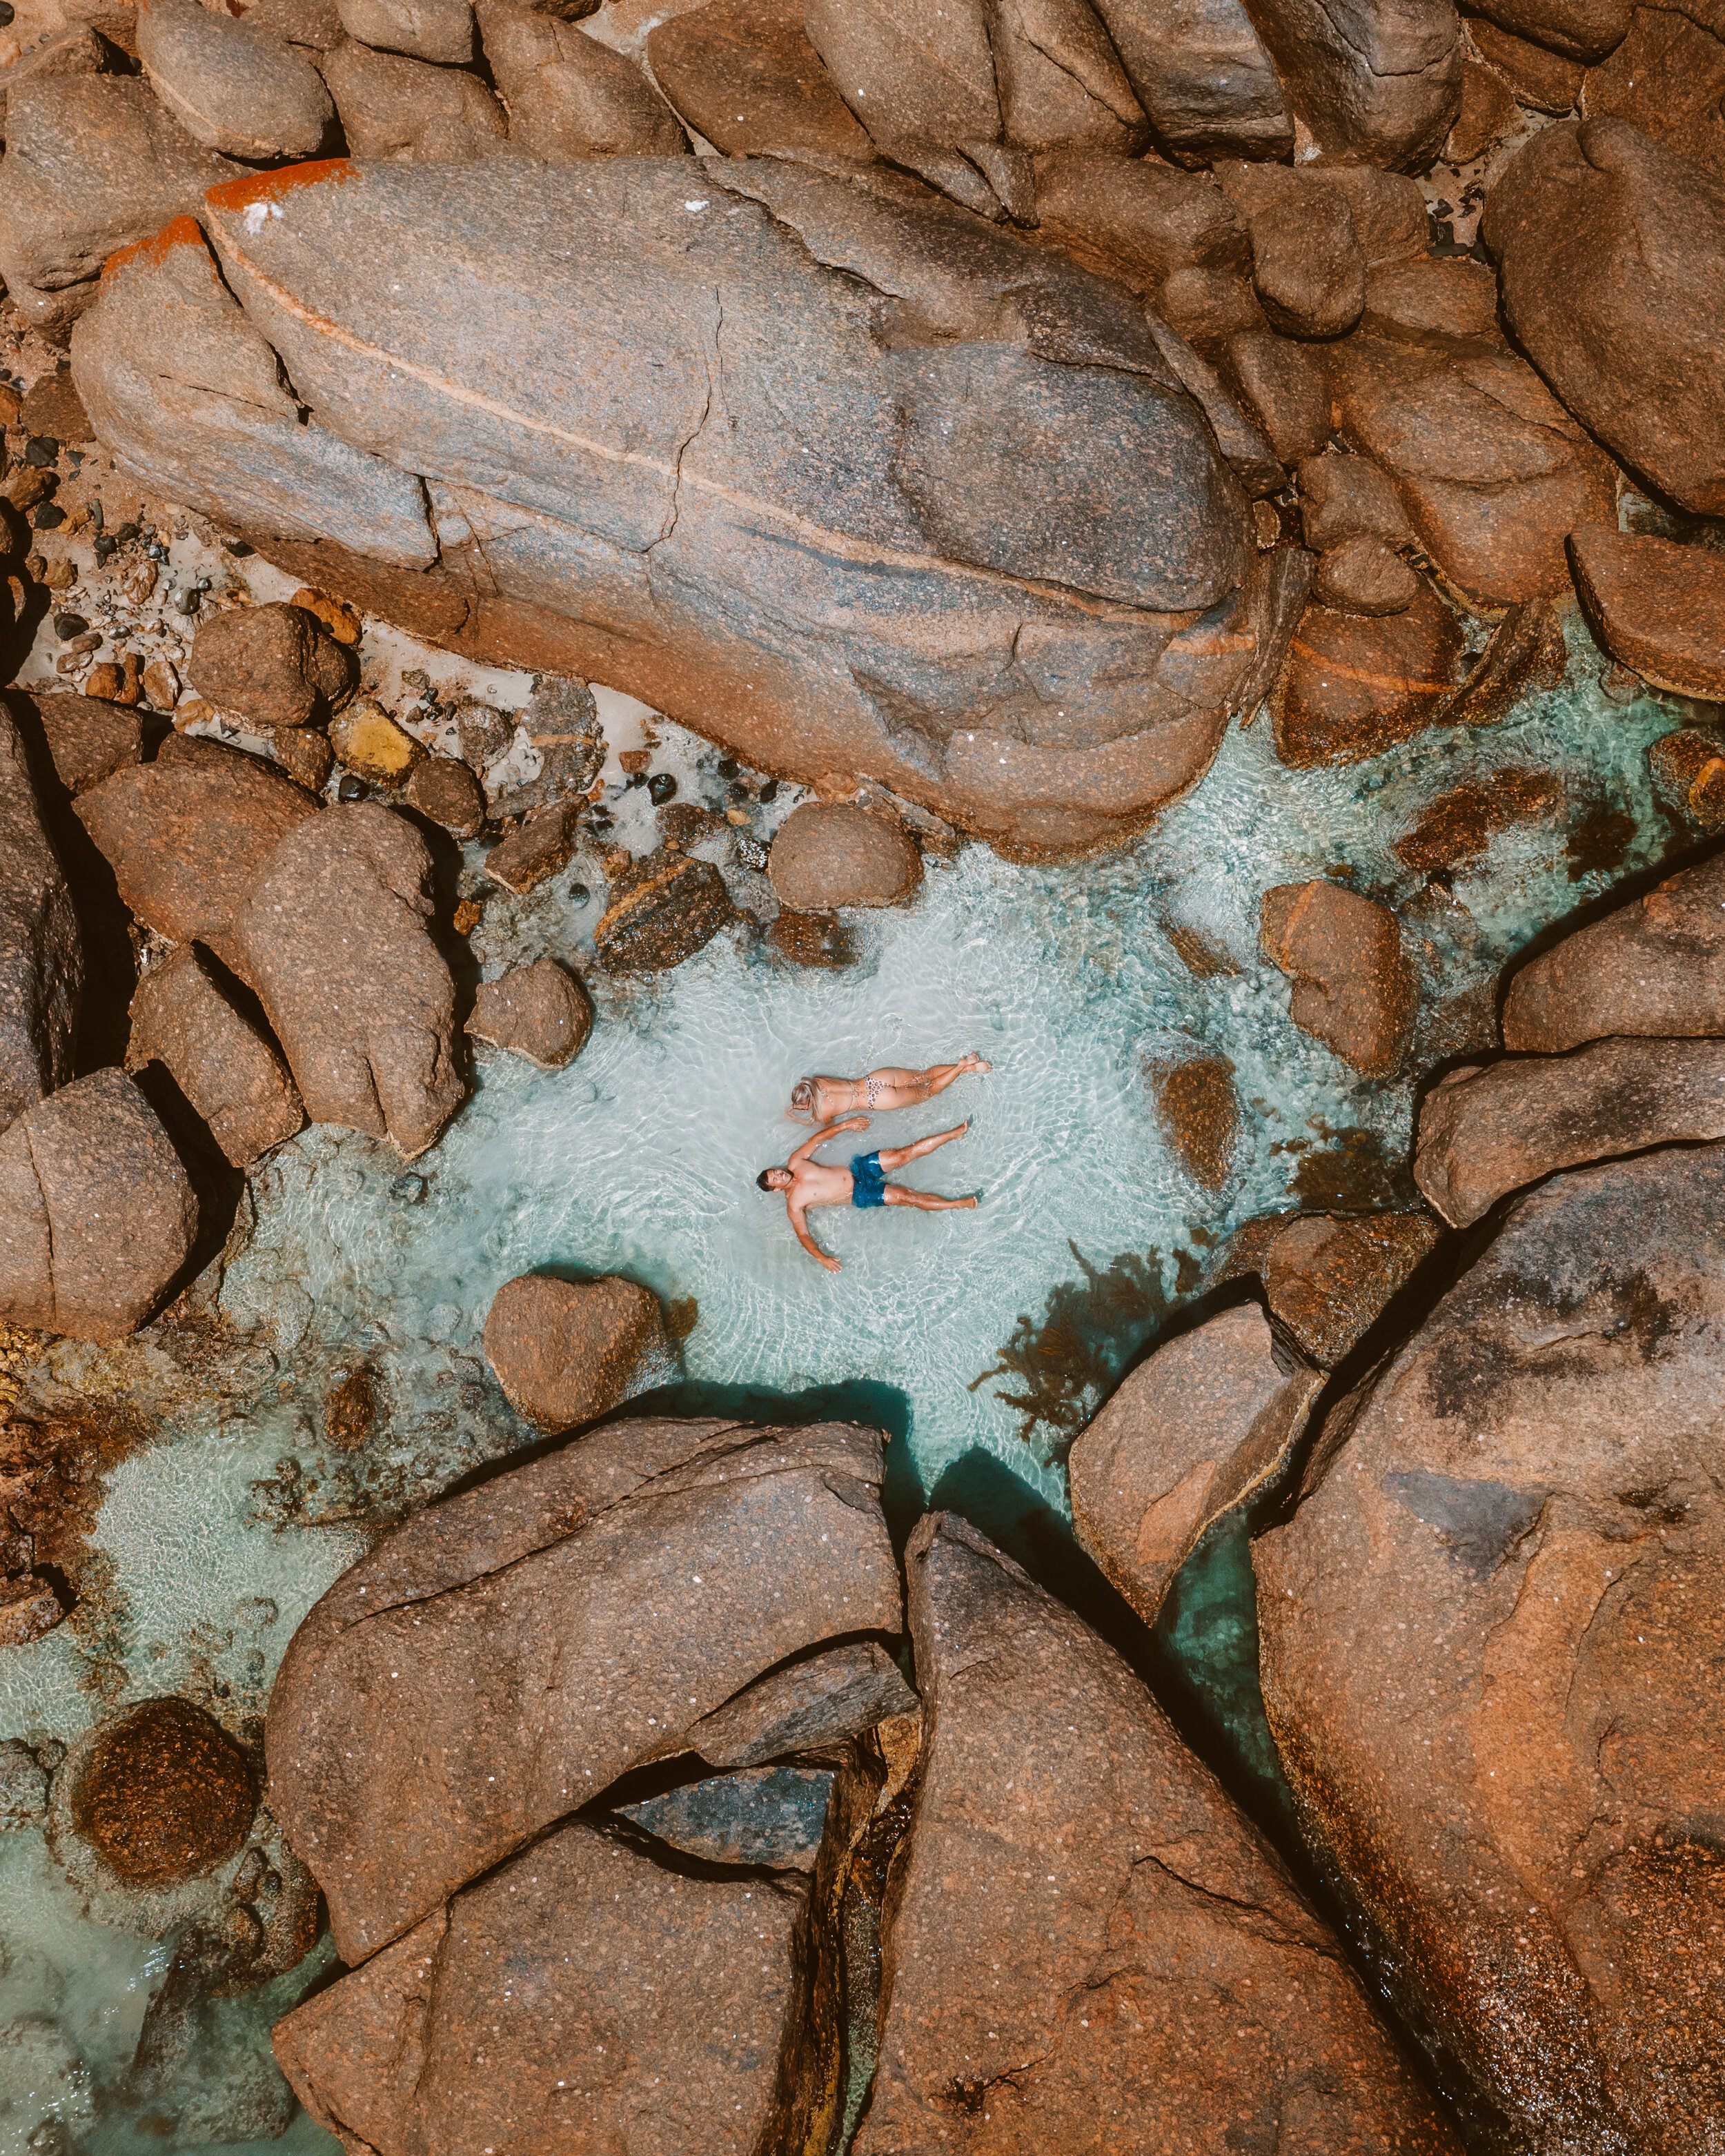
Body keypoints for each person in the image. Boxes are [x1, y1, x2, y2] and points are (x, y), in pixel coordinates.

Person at [757, 1116, 978, 1273]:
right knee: (908, 1197)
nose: (780, 1175)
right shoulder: (794, 1204)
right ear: (776, 1189)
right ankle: (958, 1204)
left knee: (903, 1155)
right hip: (861, 1194)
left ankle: (953, 1134)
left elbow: (817, 1140)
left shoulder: (795, 1162)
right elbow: (803, 1236)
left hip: (859, 1168)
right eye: (776, 1179)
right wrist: (821, 1258)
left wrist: (845, 1125)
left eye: (776, 1172)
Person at [787, 1052, 990, 1123]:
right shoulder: (817, 1080)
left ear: (806, 1105)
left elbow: (828, 1127)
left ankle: (963, 1067)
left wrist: (796, 1114)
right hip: (873, 1080)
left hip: (876, 1100)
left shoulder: (822, 1113)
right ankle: (969, 1067)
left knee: (927, 1092)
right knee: (925, 1075)